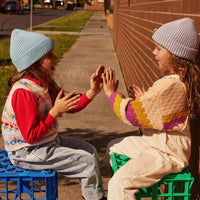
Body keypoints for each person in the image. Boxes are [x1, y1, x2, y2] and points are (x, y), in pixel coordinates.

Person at [1, 29, 107, 200]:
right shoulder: (24, 92)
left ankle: (90, 194)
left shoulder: (43, 84)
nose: (55, 58)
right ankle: (95, 197)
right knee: (86, 162)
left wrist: (92, 91)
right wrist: (54, 111)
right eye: (49, 54)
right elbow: (31, 136)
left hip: (45, 142)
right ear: (34, 62)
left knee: (90, 150)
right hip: (25, 151)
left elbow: (70, 106)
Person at [102, 18, 200, 200]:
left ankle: (122, 192)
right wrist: (144, 99)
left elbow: (132, 114)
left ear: (175, 55)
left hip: (168, 153)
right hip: (155, 144)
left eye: (159, 49)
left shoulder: (171, 86)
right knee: (112, 147)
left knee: (120, 183)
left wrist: (111, 94)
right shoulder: (175, 82)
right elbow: (162, 111)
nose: (154, 52)